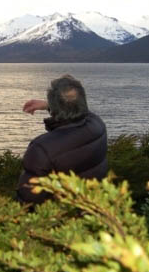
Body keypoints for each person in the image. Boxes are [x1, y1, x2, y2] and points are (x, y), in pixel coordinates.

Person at [17, 74, 108, 204]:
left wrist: (54, 106)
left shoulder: (42, 149)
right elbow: (81, 112)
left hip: (60, 219)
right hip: (92, 209)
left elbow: (28, 201)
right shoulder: (97, 125)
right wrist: (50, 106)